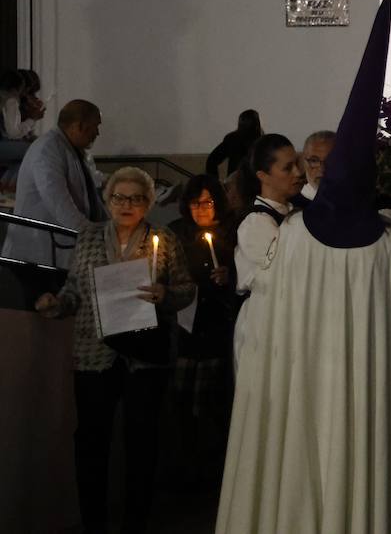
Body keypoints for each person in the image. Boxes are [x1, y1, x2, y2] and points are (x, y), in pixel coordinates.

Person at [217, 0, 391, 532]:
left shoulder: (294, 235)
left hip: (304, 376)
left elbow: (282, 310)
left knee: (300, 454)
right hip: (362, 391)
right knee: (357, 446)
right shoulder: (384, 242)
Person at [35, 166, 194, 533]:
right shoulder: (89, 238)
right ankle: (93, 522)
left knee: (142, 441)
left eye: (136, 198)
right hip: (95, 353)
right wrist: (55, 304)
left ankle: (135, 522)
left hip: (145, 356)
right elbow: (74, 290)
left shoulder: (164, 239)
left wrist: (165, 295)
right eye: (119, 197)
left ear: (149, 203)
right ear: (108, 201)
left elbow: (186, 289)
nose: (127, 205)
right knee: (91, 440)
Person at [166, 175, 237, 489]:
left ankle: (215, 474)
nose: (200, 210)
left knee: (213, 403)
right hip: (185, 328)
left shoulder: (231, 233)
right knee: (182, 403)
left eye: (207, 202)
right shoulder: (177, 233)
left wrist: (229, 276)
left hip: (216, 327)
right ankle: (184, 471)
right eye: (195, 203)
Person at [3, 99, 106, 268]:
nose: (97, 133)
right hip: (37, 255)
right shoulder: (47, 150)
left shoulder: (71, 150)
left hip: (57, 248)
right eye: (96, 126)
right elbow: (60, 205)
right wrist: (95, 235)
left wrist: (112, 228)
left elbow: (91, 198)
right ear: (79, 126)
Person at [230, 133, 303, 370]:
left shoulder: (294, 213)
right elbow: (285, 273)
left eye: (298, 164)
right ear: (263, 176)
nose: (298, 173)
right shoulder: (257, 223)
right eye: (287, 168)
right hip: (264, 324)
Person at [204, 109, 262, 182]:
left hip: (235, 183)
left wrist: (215, 183)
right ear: (257, 124)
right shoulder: (261, 142)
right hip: (254, 184)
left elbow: (211, 160)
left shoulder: (232, 139)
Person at [292, 129, 335, 207]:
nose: (322, 169)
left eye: (330, 160)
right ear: (303, 162)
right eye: (314, 161)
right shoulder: (294, 205)